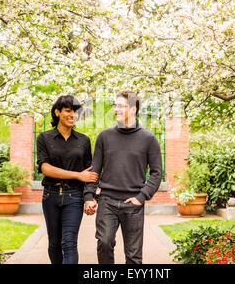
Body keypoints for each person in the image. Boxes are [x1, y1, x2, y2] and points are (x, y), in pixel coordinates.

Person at [83, 90, 163, 264]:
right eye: (115, 105)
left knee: (133, 256)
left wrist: (141, 197)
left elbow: (157, 173)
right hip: (107, 201)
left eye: (120, 106)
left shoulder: (149, 139)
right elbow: (94, 170)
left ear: (134, 109)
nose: (115, 110)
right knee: (104, 243)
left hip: (133, 204)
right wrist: (89, 196)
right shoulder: (104, 137)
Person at [36, 95, 99, 264]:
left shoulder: (84, 141)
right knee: (54, 244)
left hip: (74, 197)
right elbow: (45, 169)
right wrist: (77, 175)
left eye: (76, 112)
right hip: (51, 196)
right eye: (68, 111)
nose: (73, 115)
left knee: (69, 243)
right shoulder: (44, 138)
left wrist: (89, 198)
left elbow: (90, 173)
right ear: (57, 112)